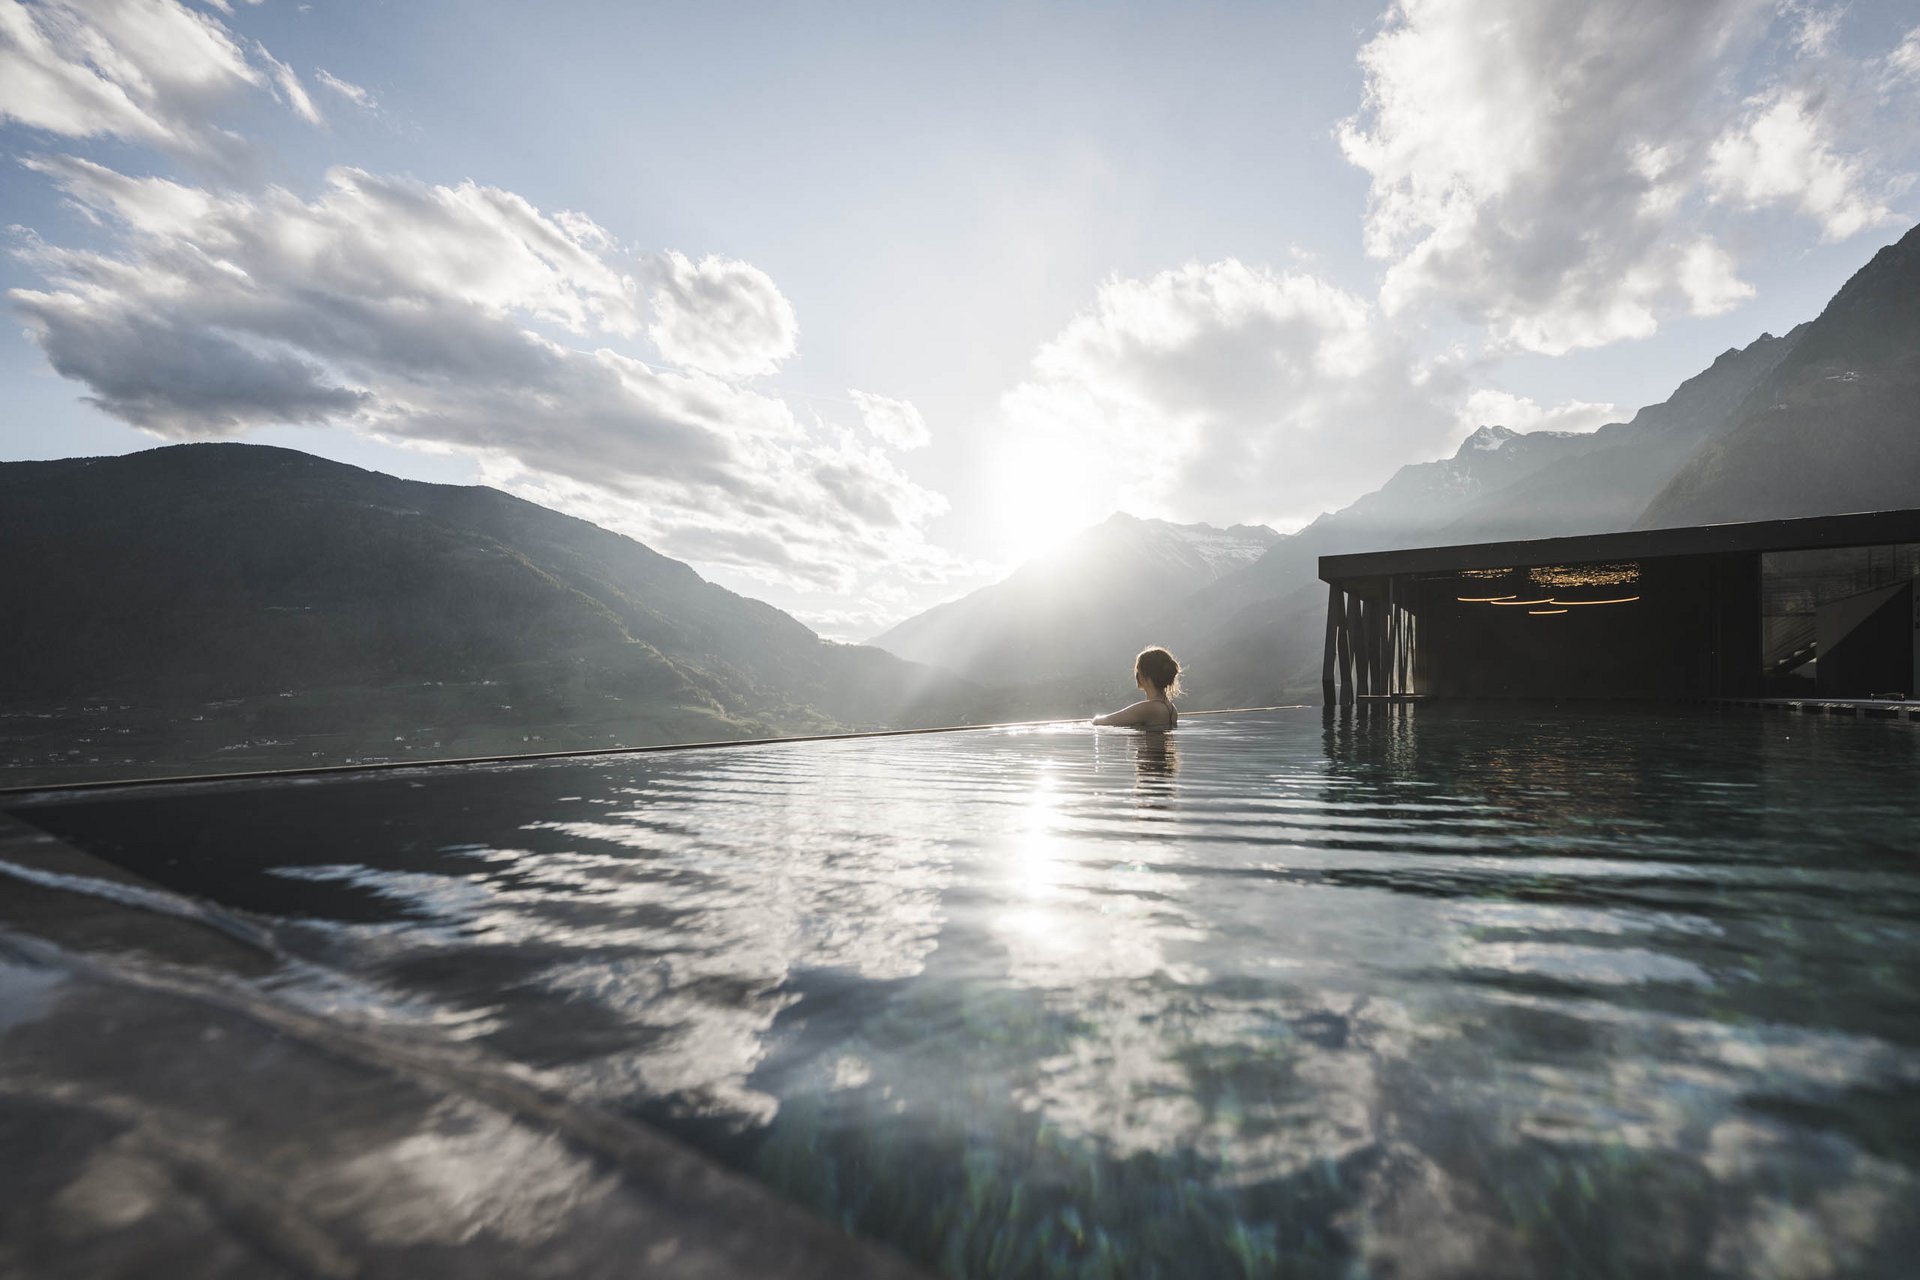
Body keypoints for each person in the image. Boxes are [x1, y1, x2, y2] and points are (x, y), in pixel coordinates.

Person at [1093, 646, 1180, 729]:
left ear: (1147, 676)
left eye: (1138, 670)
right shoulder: (1172, 709)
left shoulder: (1147, 709)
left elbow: (1098, 722)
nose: (1136, 675)